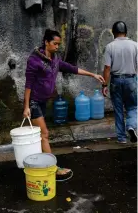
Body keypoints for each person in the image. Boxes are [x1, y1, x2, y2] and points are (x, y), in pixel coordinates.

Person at [23, 29, 105, 180]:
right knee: (44, 134)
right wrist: (26, 106)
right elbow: (28, 84)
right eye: (54, 43)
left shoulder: (54, 59)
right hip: (34, 102)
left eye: (58, 44)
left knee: (39, 136)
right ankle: (53, 169)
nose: (57, 47)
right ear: (46, 42)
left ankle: (40, 165)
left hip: (42, 102)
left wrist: (92, 74)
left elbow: (71, 68)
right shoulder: (34, 60)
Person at [102, 21, 137, 144]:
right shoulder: (135, 45)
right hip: (131, 80)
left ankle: (121, 138)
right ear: (126, 32)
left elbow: (107, 68)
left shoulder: (110, 46)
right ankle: (131, 126)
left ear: (113, 32)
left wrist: (104, 85)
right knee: (133, 107)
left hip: (115, 81)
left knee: (118, 110)